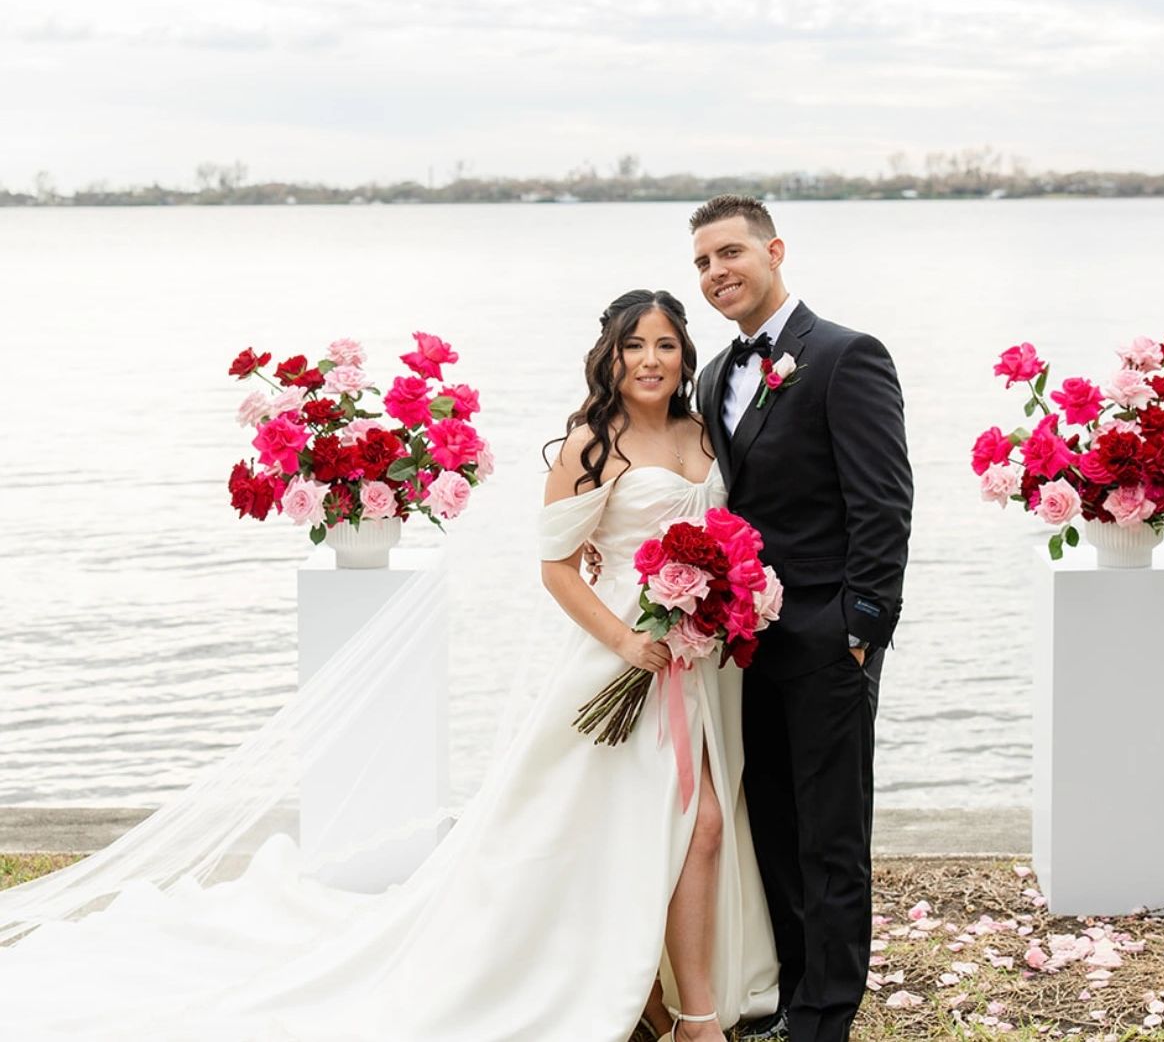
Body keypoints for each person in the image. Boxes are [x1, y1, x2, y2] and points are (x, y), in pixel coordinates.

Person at [0, 290, 778, 1041]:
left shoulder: (703, 433)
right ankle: (672, 1009)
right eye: (633, 345)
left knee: (685, 826)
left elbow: (722, 534)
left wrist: (717, 602)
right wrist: (625, 640)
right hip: (618, 660)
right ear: (608, 357)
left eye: (665, 345)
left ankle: (673, 998)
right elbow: (556, 569)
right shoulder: (589, 443)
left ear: (685, 355)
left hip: (693, 661)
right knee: (658, 825)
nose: (650, 359)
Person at [691, 195, 913, 1042]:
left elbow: (883, 499)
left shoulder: (845, 356)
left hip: (827, 640)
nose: (717, 273)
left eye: (730, 253)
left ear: (774, 250)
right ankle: (789, 992)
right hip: (745, 646)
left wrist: (860, 628)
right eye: (703, 263)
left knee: (830, 833)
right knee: (771, 827)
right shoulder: (714, 376)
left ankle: (827, 1015)